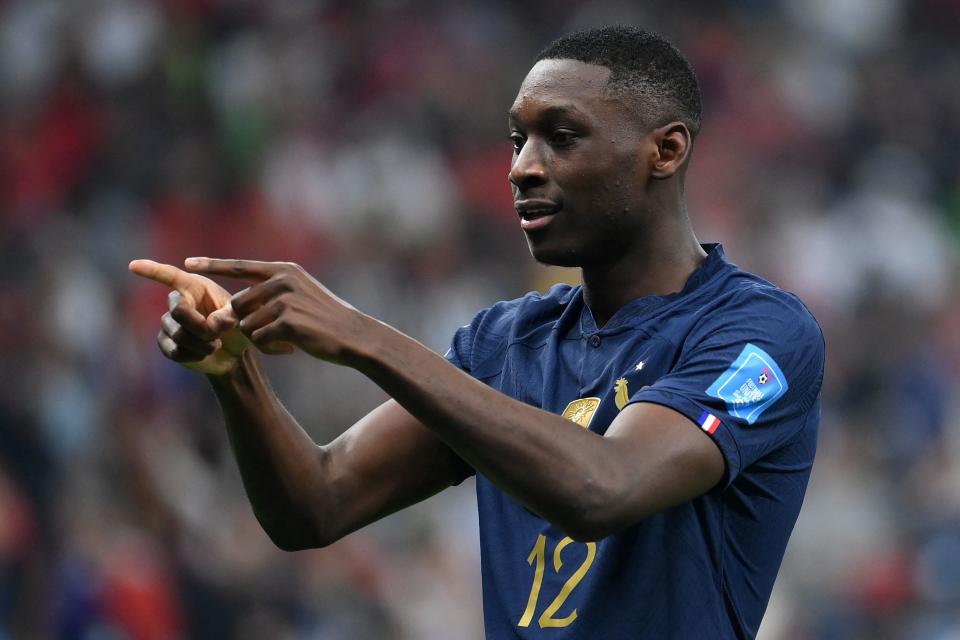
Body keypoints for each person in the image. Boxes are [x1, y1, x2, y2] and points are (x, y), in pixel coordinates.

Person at [130, 25, 824, 640]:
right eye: (519, 139)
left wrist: (363, 337)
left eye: (563, 136)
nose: (521, 167)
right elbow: (317, 502)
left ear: (665, 151)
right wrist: (234, 372)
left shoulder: (757, 333)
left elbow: (603, 486)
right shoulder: (507, 343)